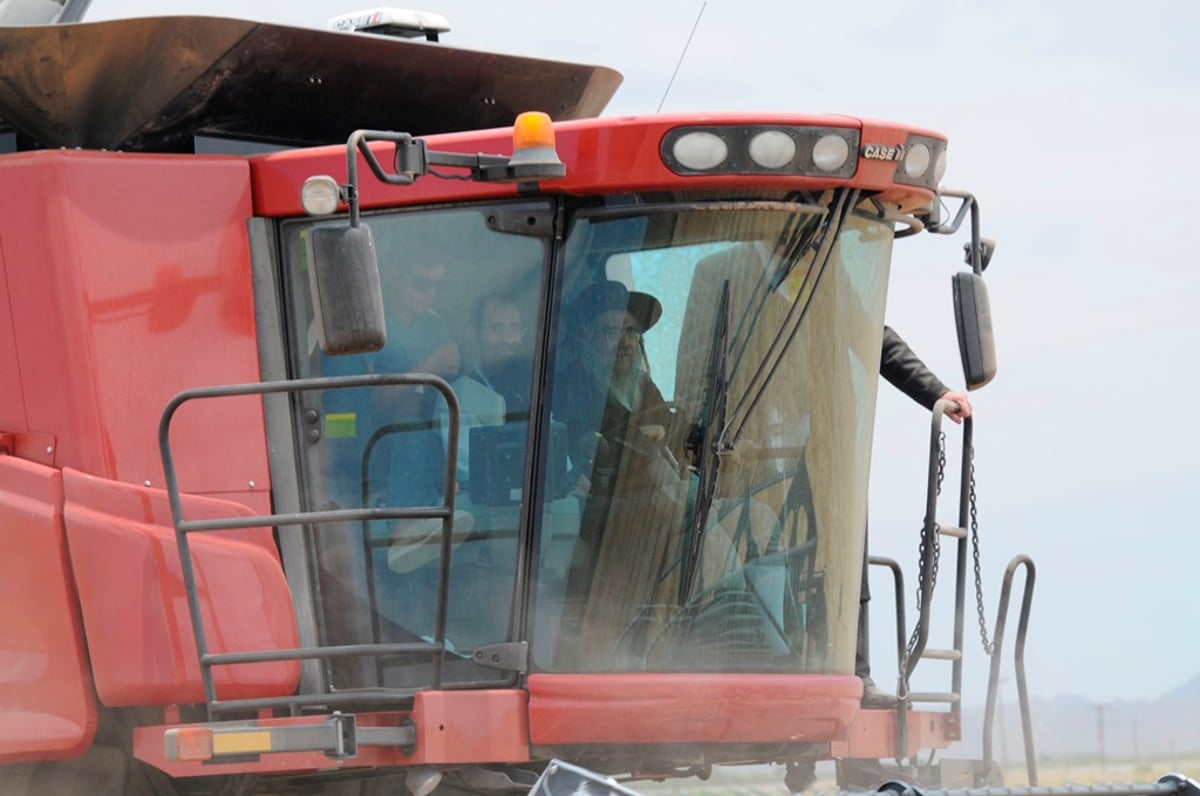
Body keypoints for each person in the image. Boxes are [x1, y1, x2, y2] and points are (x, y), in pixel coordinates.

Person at [858, 325, 973, 708]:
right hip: (743, 445)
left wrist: (936, 393)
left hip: (821, 441)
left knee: (845, 530)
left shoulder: (824, 284)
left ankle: (854, 675)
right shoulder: (728, 280)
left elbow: (872, 335)